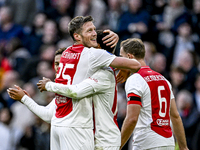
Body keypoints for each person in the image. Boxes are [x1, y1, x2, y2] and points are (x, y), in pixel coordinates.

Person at [119, 38, 188, 150]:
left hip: (147, 143)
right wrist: (183, 147)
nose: (120, 62)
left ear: (130, 57)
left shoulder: (135, 79)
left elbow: (132, 118)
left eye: (121, 57)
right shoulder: (163, 79)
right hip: (168, 142)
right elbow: (175, 116)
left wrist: (117, 146)